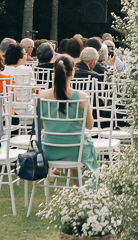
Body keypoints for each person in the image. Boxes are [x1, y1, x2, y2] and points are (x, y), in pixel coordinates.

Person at [37, 56, 100, 185]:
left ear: (54, 71)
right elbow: (89, 125)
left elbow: (40, 126)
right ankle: (78, 190)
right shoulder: (81, 97)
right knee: (78, 144)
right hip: (76, 150)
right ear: (73, 71)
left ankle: (75, 188)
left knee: (73, 143)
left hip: (50, 150)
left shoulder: (41, 96)